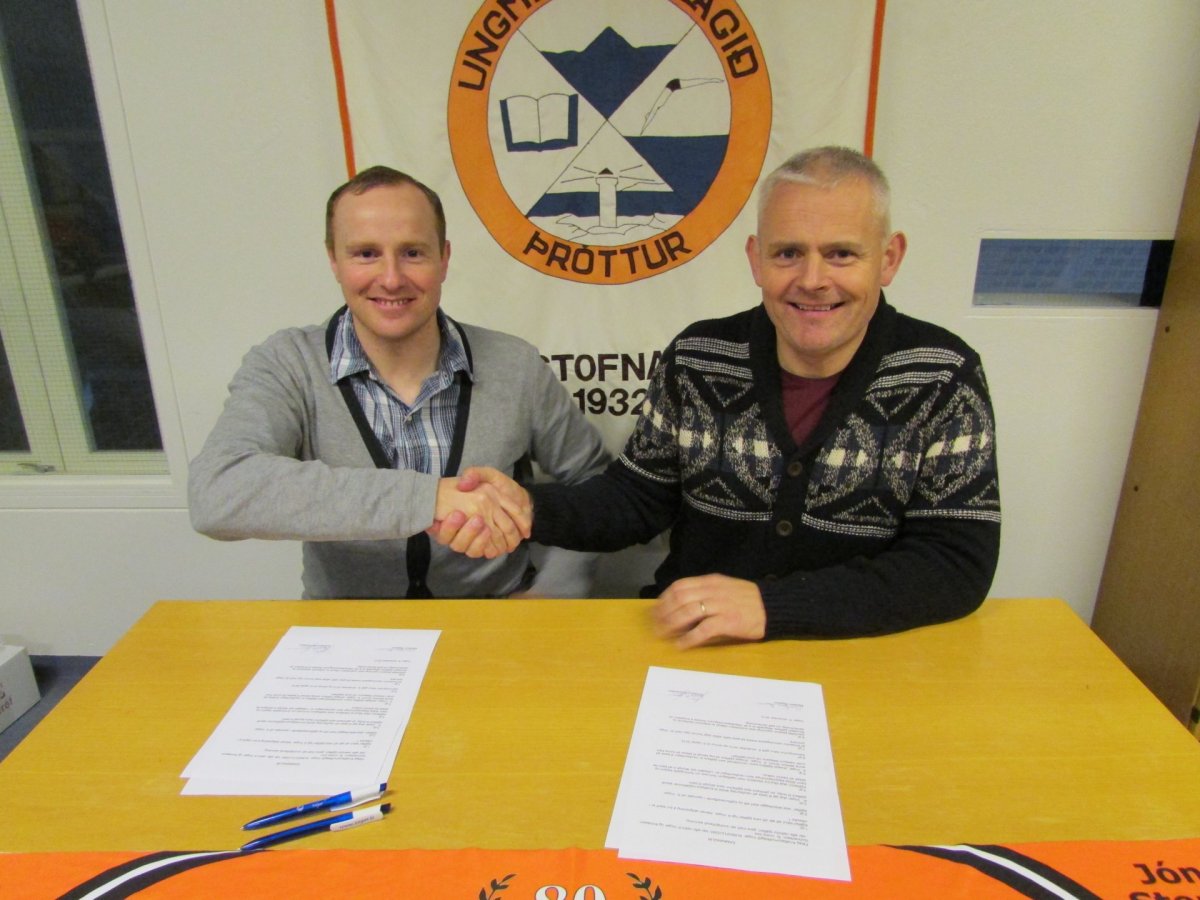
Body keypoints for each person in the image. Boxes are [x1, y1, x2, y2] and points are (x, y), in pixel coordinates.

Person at [432, 146, 1001, 646]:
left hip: (865, 656)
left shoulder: (943, 375)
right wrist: (529, 508)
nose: (812, 279)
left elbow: (954, 565)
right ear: (756, 258)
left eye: (842, 254)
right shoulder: (698, 358)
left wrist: (771, 608)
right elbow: (636, 500)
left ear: (890, 258)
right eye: (788, 253)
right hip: (696, 645)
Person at [189, 166, 607, 599]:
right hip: (349, 626)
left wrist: (552, 594)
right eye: (366, 253)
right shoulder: (288, 363)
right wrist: (429, 498)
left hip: (494, 616)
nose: (391, 279)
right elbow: (218, 492)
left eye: (412, 253)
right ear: (334, 261)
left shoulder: (515, 365)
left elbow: (595, 485)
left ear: (444, 259)